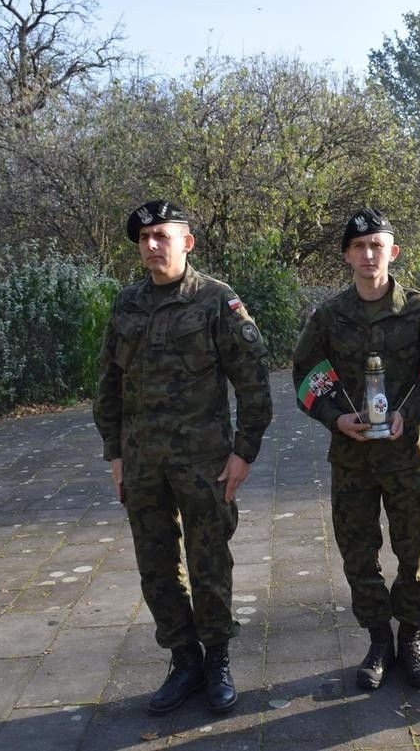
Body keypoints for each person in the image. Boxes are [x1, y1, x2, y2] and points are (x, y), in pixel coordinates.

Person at [93, 200, 272, 715]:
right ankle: (184, 659)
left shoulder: (217, 301)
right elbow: (108, 385)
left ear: (186, 242)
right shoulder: (127, 306)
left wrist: (244, 453)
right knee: (155, 566)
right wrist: (115, 454)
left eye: (161, 235)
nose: (151, 245)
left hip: (204, 462)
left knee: (209, 562)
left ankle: (216, 658)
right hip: (143, 463)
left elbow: (254, 382)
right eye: (144, 237)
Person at [291, 207, 420, 691]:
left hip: (405, 456)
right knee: (358, 552)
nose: (368, 254)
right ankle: (378, 639)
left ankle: (410, 637)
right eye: (359, 247)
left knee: (415, 547)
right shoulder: (328, 316)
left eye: (376, 246)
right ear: (347, 255)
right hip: (351, 458)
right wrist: (333, 417)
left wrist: (413, 411)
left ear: (392, 252)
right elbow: (303, 379)